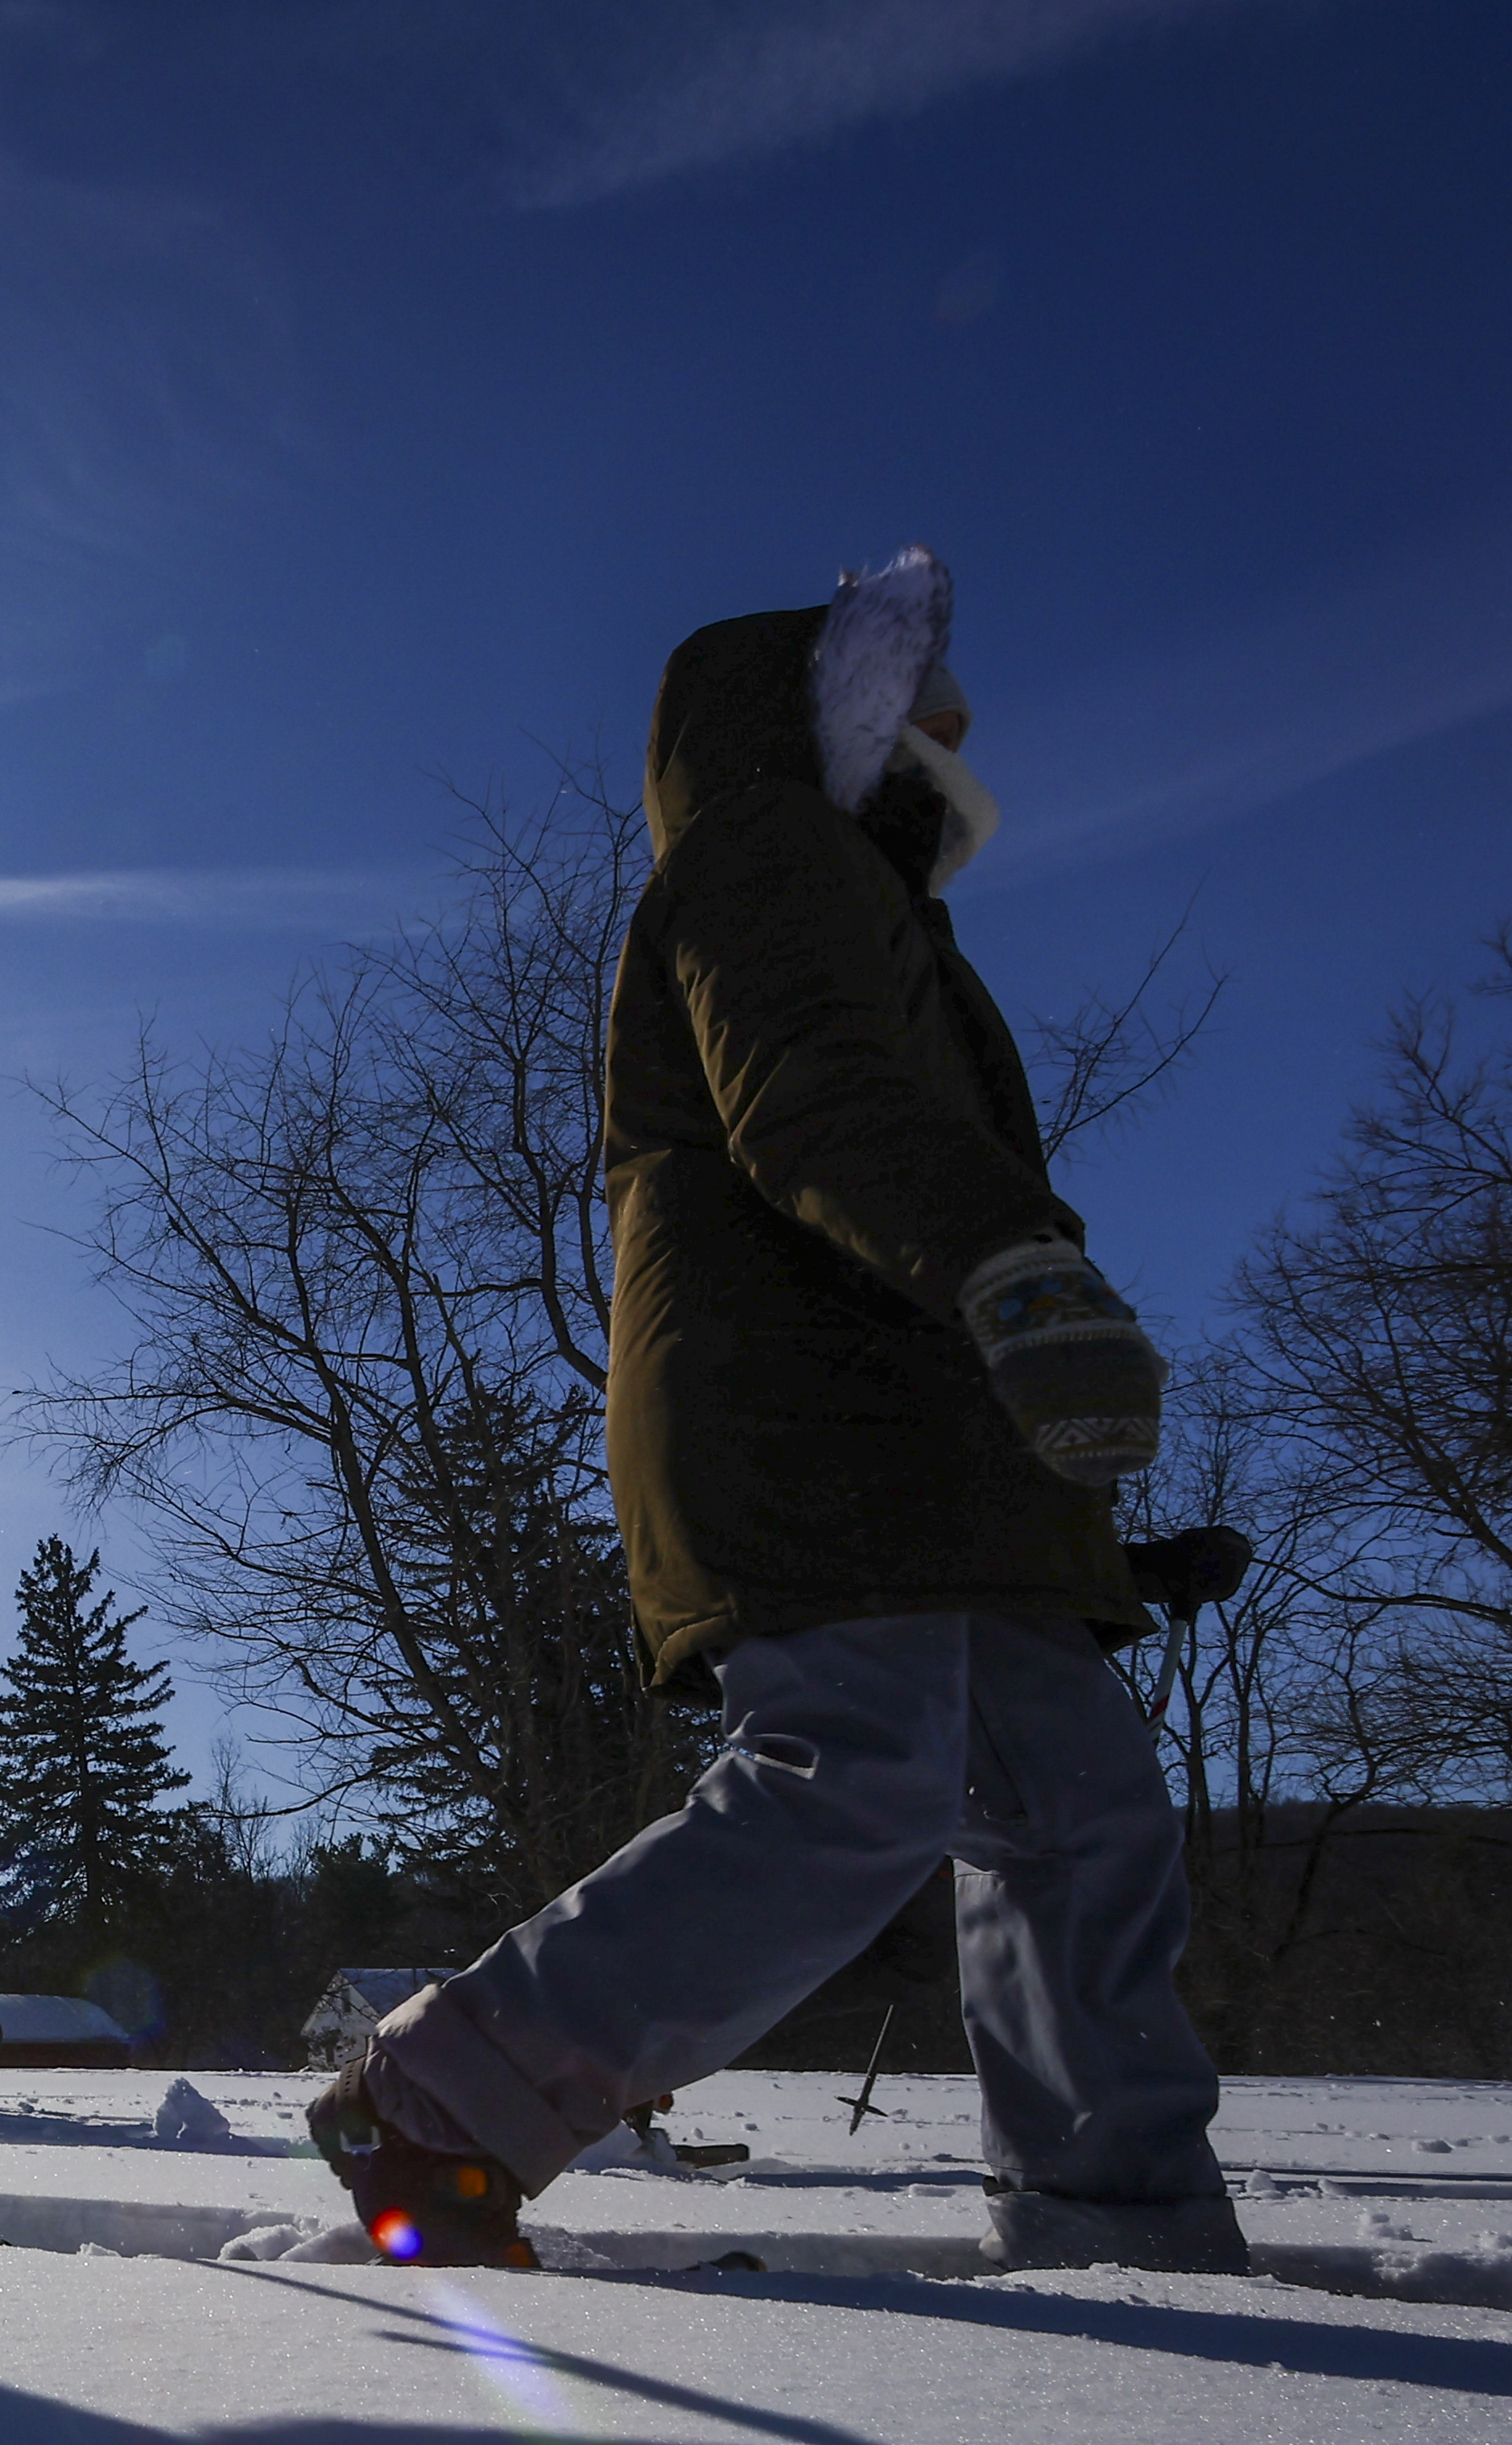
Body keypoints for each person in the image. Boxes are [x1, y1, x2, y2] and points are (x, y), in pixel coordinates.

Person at [308, 546, 1245, 2276]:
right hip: (798, 1414)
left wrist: (1089, 1517)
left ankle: (1123, 2214)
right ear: (843, 721)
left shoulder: (885, 905)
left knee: (1080, 1807)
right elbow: (805, 1095)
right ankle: (444, 2096)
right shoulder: (763, 850)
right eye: (917, 709)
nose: (955, 740)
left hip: (923, 1438)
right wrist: (1015, 1271)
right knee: (860, 1774)